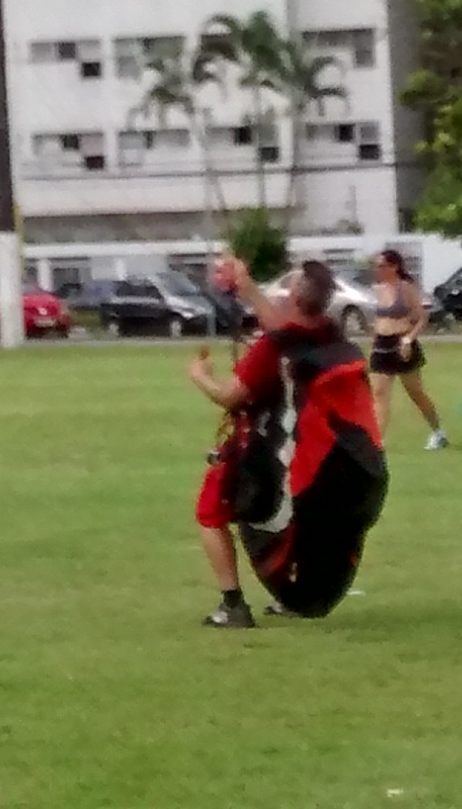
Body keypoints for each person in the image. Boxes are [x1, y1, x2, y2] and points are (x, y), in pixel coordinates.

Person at [187, 256, 387, 629]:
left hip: (271, 453)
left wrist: (200, 377)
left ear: (294, 296)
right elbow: (282, 326)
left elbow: (232, 396)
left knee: (209, 511)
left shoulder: (273, 348)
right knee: (298, 525)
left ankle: (232, 605)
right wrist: (245, 285)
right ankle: (295, 594)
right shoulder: (328, 334)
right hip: (314, 458)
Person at [367, 247, 446, 450]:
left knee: (415, 392)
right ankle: (378, 440)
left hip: (402, 342)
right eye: (377, 266)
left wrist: (409, 339)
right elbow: (378, 318)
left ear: (394, 266)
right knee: (379, 393)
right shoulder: (377, 288)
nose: (378, 269)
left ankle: (438, 432)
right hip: (381, 344)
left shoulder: (406, 288)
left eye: (382, 266)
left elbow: (422, 317)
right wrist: (374, 342)